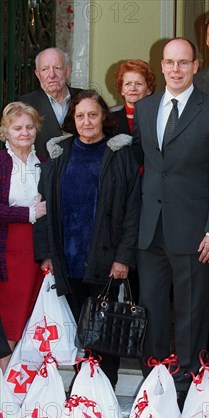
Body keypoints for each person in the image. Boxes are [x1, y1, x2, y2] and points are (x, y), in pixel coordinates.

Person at [132, 38, 209, 409]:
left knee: (192, 309)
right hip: (151, 228)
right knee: (151, 305)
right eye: (170, 62)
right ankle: (154, 374)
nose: (176, 69)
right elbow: (145, 170)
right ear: (161, 66)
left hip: (196, 232)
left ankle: (189, 379)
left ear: (196, 66)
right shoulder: (144, 109)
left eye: (183, 63)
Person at [34, 90, 140, 389]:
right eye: (80, 116)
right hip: (66, 260)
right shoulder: (59, 154)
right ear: (73, 120)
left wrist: (123, 258)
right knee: (78, 331)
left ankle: (100, 393)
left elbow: (133, 211)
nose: (86, 121)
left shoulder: (120, 155)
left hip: (105, 261)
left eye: (92, 114)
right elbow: (44, 207)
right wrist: (46, 254)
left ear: (104, 118)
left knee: (102, 333)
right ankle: (82, 389)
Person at [0, 102, 46, 372]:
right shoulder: (2, 162)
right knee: (9, 315)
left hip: (36, 249)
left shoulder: (46, 162)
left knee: (29, 314)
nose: (24, 132)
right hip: (7, 248)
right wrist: (28, 213)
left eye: (29, 127)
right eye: (17, 128)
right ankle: (5, 381)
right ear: (6, 132)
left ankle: (21, 381)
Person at [20, 47, 81, 158]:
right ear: (38, 75)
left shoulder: (86, 99)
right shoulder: (24, 104)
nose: (51, 75)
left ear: (67, 71)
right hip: (41, 173)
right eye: (45, 69)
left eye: (57, 68)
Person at [111, 59, 156, 135]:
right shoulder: (109, 118)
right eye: (127, 84)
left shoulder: (158, 117)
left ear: (149, 89)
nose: (133, 88)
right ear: (121, 90)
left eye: (138, 84)